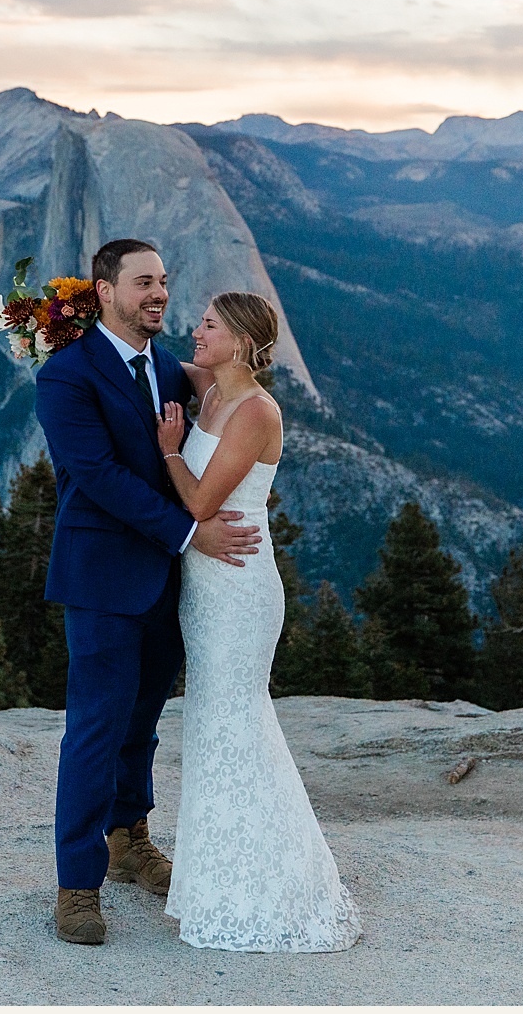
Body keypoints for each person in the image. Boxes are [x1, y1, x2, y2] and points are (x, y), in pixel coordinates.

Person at [33, 239, 263, 947]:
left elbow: (233, 387)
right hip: (103, 577)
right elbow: (97, 476)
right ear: (104, 293)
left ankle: (130, 838)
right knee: (96, 728)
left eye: (164, 280)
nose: (159, 293)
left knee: (142, 723)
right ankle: (78, 883)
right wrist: (191, 534)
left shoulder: (164, 364)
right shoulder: (65, 376)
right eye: (143, 283)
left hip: (165, 582)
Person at [157, 291, 362, 953]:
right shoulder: (211, 386)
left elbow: (200, 498)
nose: (196, 330)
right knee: (214, 724)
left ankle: (271, 884)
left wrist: (168, 449)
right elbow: (147, 361)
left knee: (237, 721)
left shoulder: (255, 410)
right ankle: (224, 874)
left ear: (241, 341)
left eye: (209, 325)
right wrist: (70, 326)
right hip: (205, 588)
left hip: (240, 590)